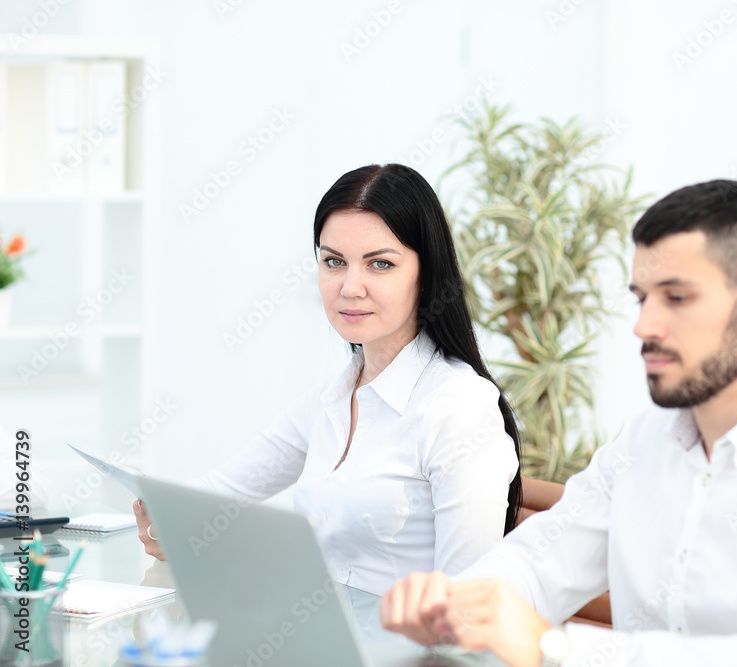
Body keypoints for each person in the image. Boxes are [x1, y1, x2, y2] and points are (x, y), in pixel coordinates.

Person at [379, 180, 737, 666]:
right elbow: (537, 562)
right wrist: (451, 605)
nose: (644, 325)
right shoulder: (643, 446)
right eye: (641, 298)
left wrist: (553, 651)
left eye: (676, 298)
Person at [134, 164, 523, 595]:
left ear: (427, 277)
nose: (350, 287)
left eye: (380, 264)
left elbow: (466, 607)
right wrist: (168, 521)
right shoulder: (335, 395)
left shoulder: (460, 410)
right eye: (334, 262)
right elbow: (221, 492)